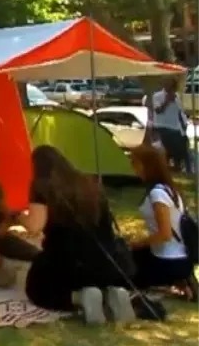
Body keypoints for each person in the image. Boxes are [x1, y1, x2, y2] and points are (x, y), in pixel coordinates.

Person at [24, 146, 136, 324]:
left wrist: (19, 218)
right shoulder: (90, 184)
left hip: (69, 265)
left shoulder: (42, 188)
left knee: (36, 286)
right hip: (107, 263)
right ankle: (111, 293)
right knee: (94, 273)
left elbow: (34, 226)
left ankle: (80, 297)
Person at [128, 145, 198, 298]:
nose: (133, 168)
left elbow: (165, 234)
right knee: (131, 257)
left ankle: (173, 285)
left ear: (147, 166)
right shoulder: (170, 190)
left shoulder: (157, 194)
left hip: (168, 259)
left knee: (126, 277)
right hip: (178, 255)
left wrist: (137, 243)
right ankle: (180, 280)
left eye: (135, 163)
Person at [148, 79, 192, 175]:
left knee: (179, 150)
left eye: (173, 87)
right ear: (165, 85)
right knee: (164, 151)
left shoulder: (177, 97)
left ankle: (179, 170)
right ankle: (163, 171)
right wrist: (167, 101)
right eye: (170, 86)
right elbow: (158, 110)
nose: (171, 88)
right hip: (161, 127)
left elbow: (179, 112)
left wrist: (184, 124)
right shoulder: (157, 96)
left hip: (175, 128)